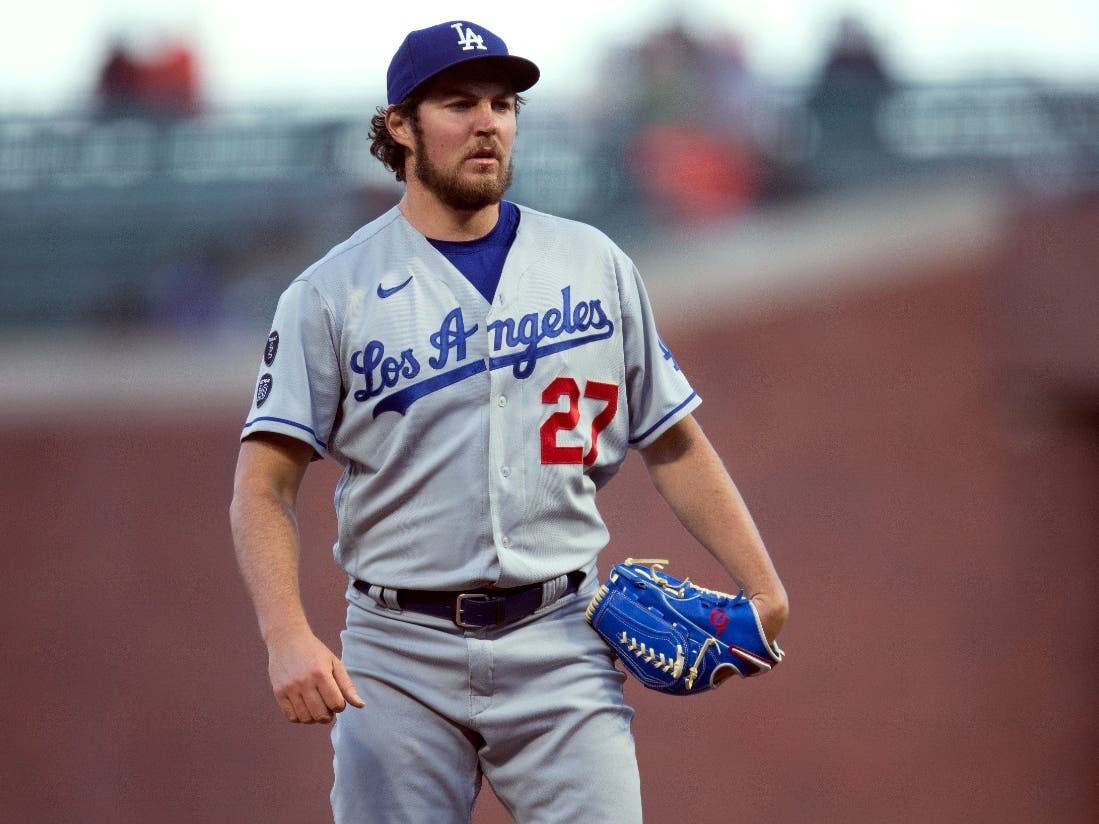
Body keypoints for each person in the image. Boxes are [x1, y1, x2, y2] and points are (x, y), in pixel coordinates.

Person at [229, 20, 788, 824]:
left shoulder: (592, 263)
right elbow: (262, 486)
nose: (487, 121)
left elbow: (672, 439)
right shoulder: (331, 292)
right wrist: (285, 633)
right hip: (397, 650)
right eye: (459, 103)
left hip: (561, 637)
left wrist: (764, 587)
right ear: (398, 126)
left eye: (503, 102)